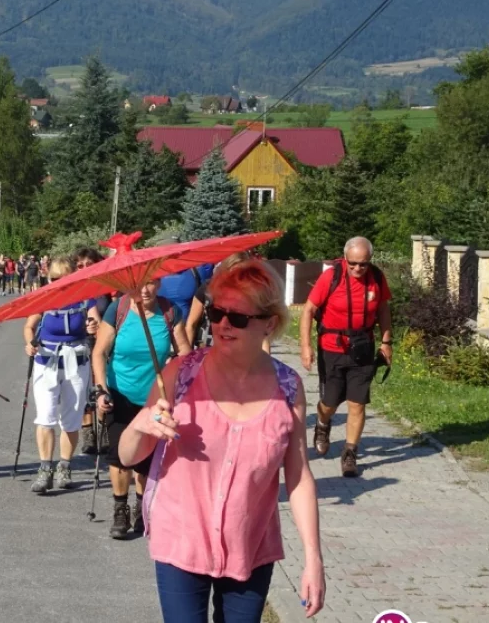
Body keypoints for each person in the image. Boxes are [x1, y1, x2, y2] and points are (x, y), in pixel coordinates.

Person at [118, 259, 325, 622]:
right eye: (216, 312)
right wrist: (140, 427)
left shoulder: (288, 388)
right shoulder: (179, 375)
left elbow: (299, 476)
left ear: (270, 324)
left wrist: (313, 559)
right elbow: (127, 454)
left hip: (251, 547)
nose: (223, 324)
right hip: (181, 542)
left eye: (239, 317)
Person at [92, 280, 191, 539]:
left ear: (159, 284)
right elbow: (99, 353)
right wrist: (101, 390)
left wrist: (174, 369)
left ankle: (141, 507)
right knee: (120, 457)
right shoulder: (118, 309)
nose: (145, 291)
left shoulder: (170, 313)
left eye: (151, 284)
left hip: (154, 399)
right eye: (139, 286)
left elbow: (185, 353)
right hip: (119, 394)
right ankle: (120, 509)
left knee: (146, 461)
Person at [299, 236, 393, 478]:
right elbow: (308, 310)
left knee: (357, 403)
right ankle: (322, 423)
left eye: (363, 264)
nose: (357, 269)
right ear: (345, 258)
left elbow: (383, 309)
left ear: (370, 261)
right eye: (353, 263)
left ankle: (350, 452)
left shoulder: (377, 278)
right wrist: (306, 346)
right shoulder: (332, 276)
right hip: (331, 347)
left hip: (363, 348)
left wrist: (386, 342)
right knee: (329, 402)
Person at [23, 257, 101, 493]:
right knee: (45, 416)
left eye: (64, 279)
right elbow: (29, 326)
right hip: (46, 361)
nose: (59, 283)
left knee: (72, 417)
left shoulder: (85, 296)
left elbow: (94, 319)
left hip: (76, 362)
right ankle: (45, 468)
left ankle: (64, 466)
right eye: (54, 279)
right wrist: (29, 343)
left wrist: (92, 326)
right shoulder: (43, 297)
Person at [73, 246, 111, 456]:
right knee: (83, 387)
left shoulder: (106, 287)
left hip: (103, 341)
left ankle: (103, 429)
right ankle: (88, 434)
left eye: (89, 264)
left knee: (100, 384)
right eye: (80, 265)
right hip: (79, 342)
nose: (85, 268)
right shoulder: (72, 289)